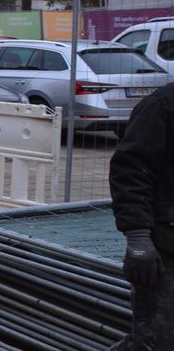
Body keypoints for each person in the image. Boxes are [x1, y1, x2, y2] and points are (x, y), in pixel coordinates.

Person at [109, 82, 174, 350]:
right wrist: (138, 236)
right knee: (157, 340)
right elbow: (130, 169)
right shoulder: (164, 105)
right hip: (167, 247)